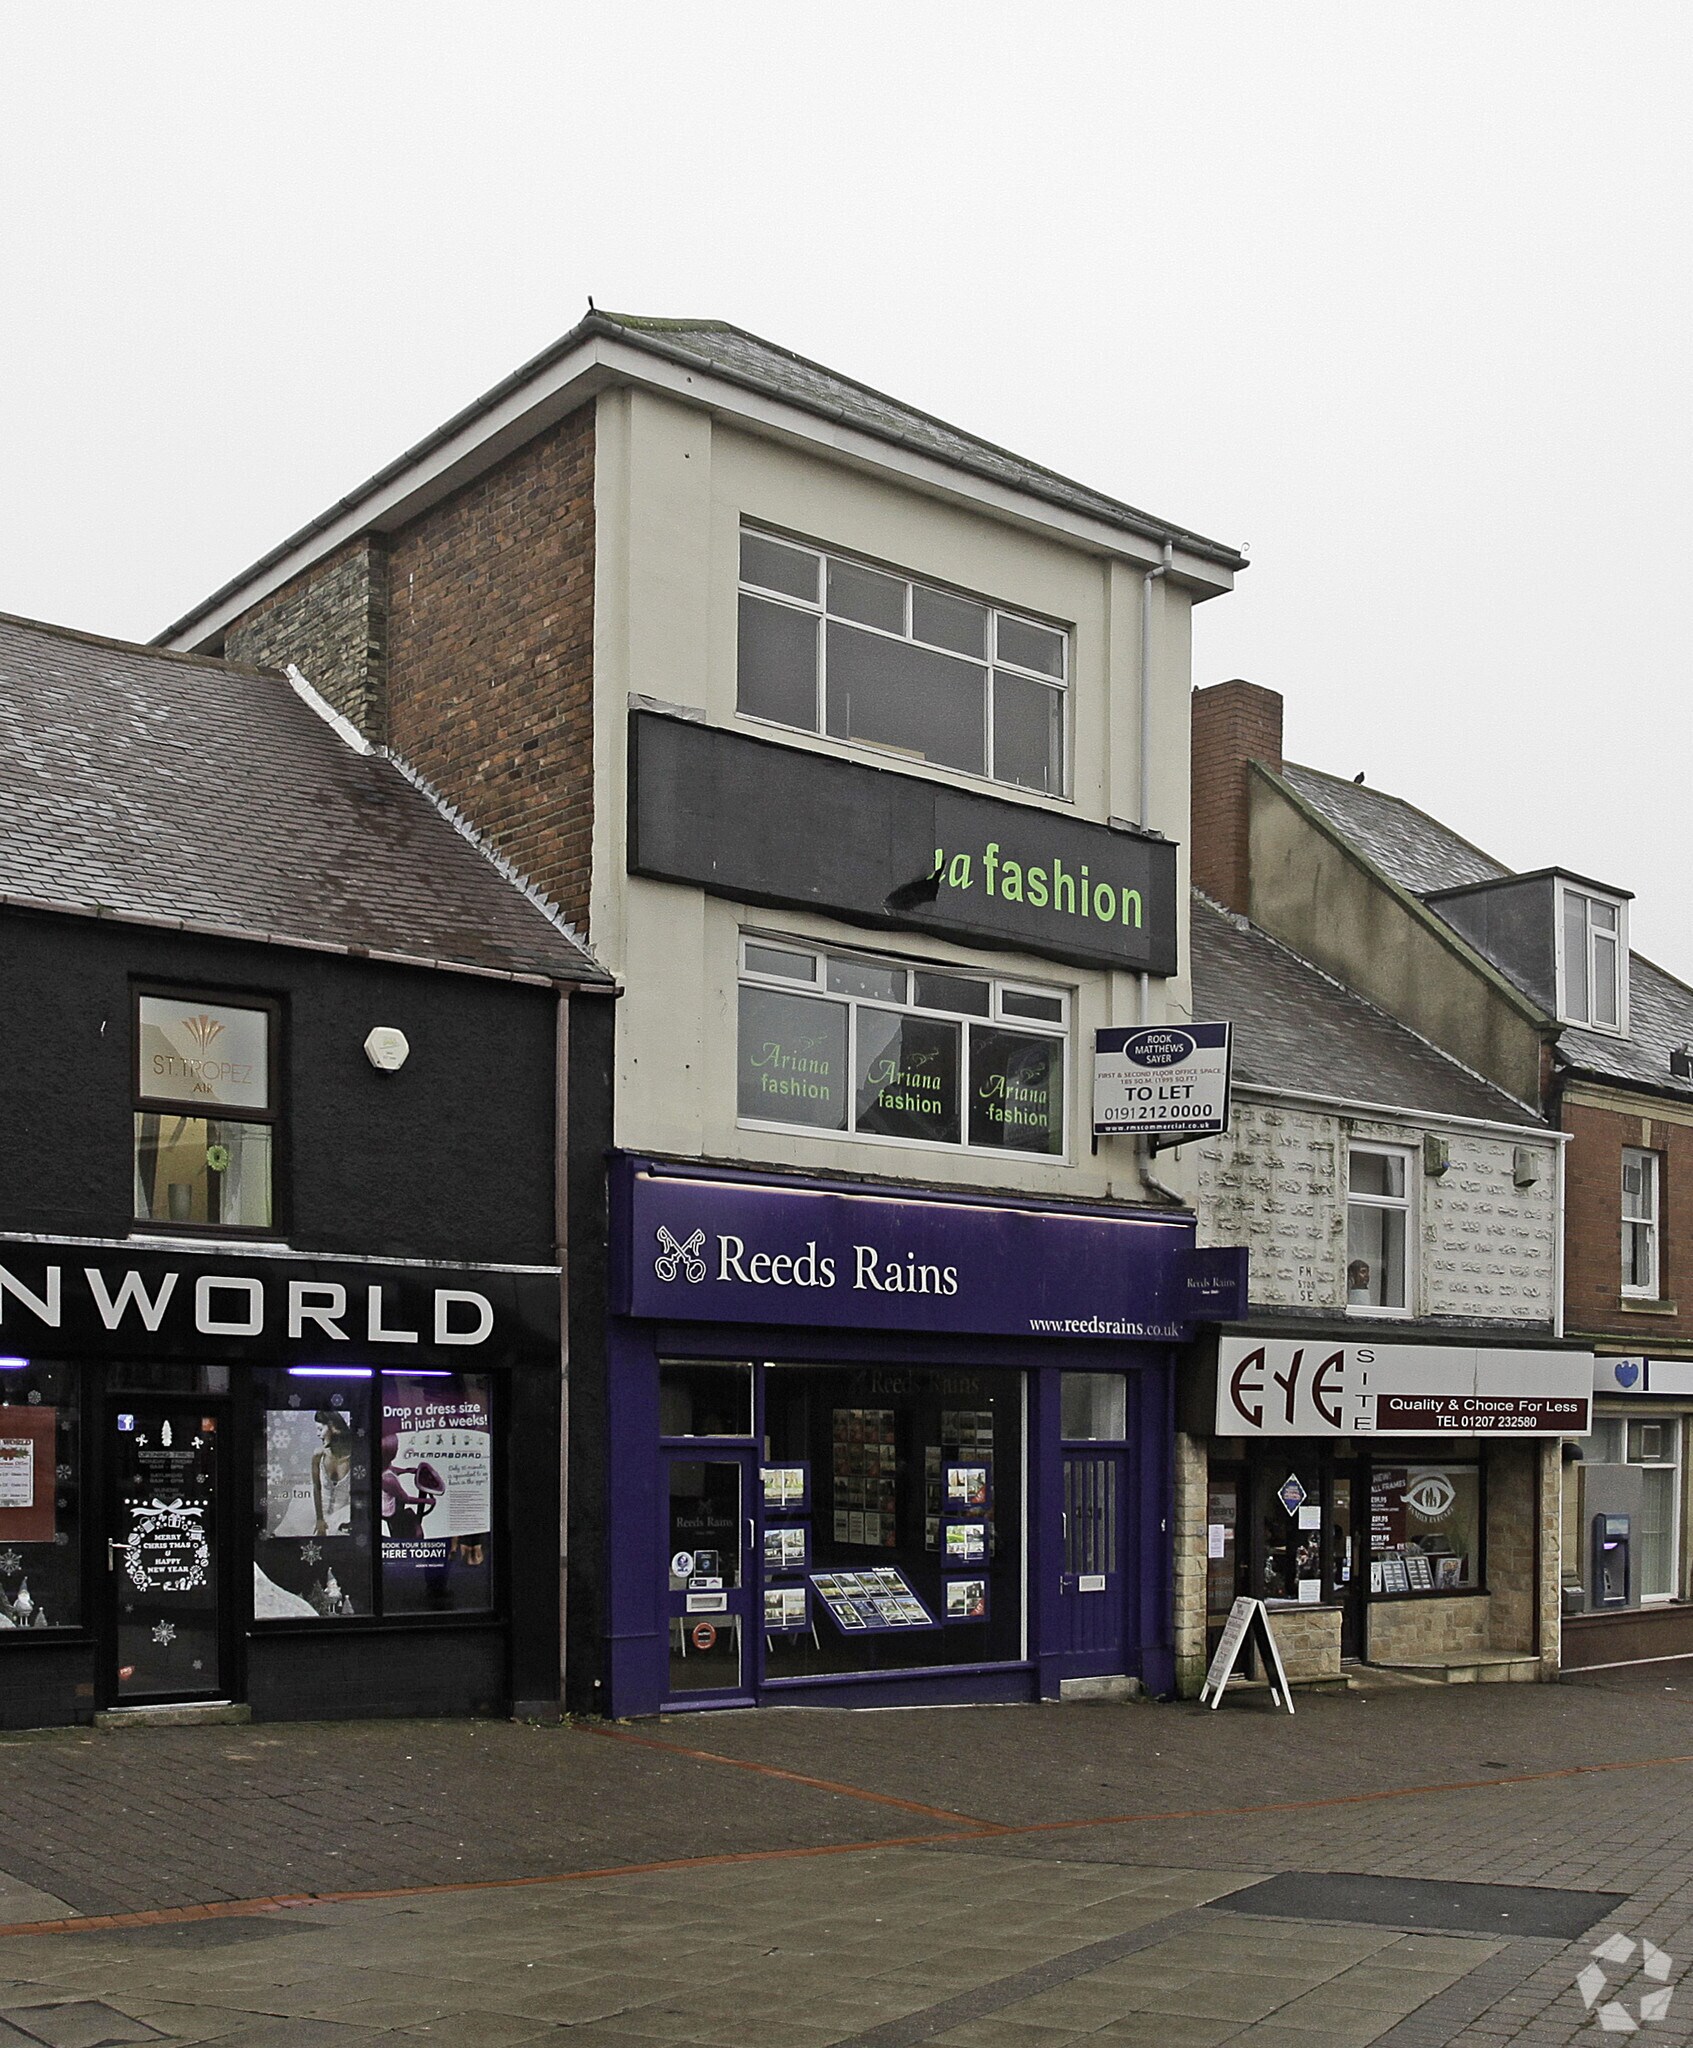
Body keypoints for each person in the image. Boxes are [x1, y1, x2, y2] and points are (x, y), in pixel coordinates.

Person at [310, 1410, 354, 1536]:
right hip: (319, 1512)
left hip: (344, 1513)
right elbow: (316, 1488)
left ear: (333, 1428)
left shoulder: (354, 1456)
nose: (317, 1434)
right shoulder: (318, 1455)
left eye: (320, 1429)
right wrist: (319, 1519)